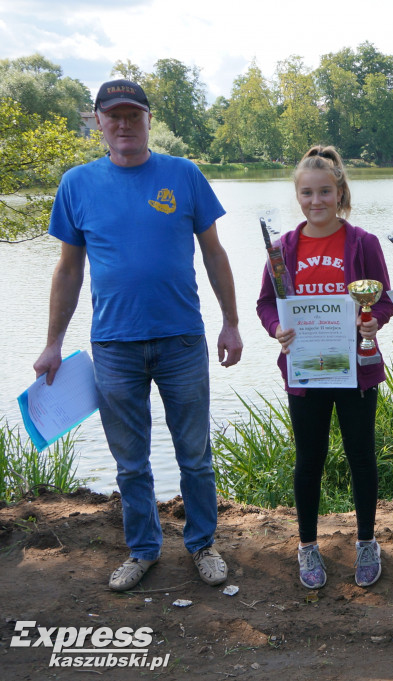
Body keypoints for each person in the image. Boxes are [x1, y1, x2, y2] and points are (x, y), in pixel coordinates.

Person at [33, 79, 243, 591]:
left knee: (195, 454)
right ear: (98, 122)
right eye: (114, 116)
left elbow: (215, 253)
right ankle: (144, 550)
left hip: (182, 341)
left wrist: (231, 321)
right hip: (113, 347)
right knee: (131, 462)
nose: (124, 125)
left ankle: (202, 545)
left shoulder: (184, 175)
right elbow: (67, 271)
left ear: (149, 119)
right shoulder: (76, 184)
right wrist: (53, 343)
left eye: (133, 115)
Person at [256, 145, 393, 589]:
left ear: (340, 193)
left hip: (356, 369)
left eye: (325, 192)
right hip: (305, 372)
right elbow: (265, 304)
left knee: (361, 456)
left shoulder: (363, 243)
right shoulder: (282, 250)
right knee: (309, 459)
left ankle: (368, 541)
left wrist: (372, 321)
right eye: (307, 193)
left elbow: (385, 300)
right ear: (297, 196)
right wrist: (277, 327)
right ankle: (307, 545)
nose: (316, 201)